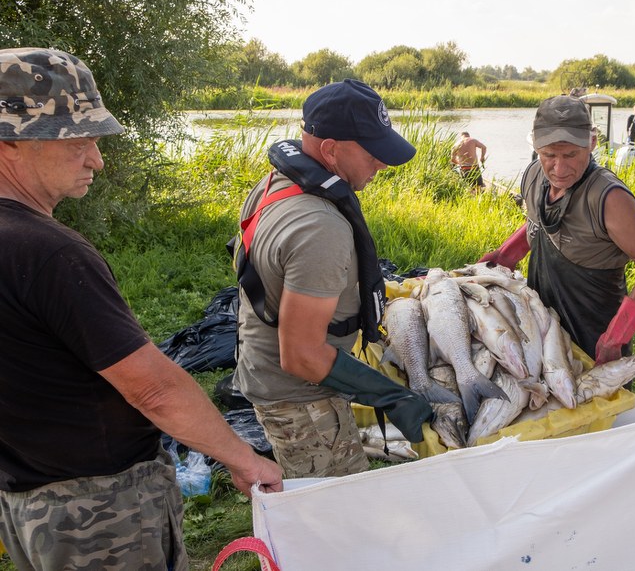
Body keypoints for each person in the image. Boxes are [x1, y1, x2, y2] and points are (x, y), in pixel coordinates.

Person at [0, 47, 283, 570]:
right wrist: (243, 459)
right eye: (78, 138)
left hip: (27, 498)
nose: (96, 159)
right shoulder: (48, 253)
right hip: (97, 510)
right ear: (12, 143)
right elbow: (151, 387)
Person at [234, 79, 433, 480]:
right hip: (299, 397)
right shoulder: (320, 227)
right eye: (373, 152)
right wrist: (390, 395)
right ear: (329, 149)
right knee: (338, 510)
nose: (382, 163)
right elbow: (302, 355)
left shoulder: (274, 184)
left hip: (267, 372)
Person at [481, 95, 635, 363]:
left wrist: (617, 336)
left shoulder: (609, 199)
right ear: (536, 147)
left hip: (596, 335)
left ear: (591, 143)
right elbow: (537, 224)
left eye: (571, 155)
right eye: (549, 155)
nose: (559, 168)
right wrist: (505, 256)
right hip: (543, 326)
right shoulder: (534, 176)